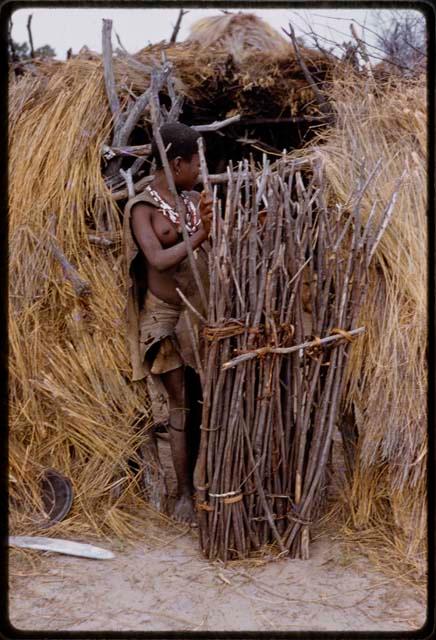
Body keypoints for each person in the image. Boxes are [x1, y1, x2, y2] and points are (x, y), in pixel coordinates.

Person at [123, 122, 212, 526]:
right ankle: (183, 495)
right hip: (163, 316)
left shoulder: (193, 199)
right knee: (181, 404)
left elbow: (217, 247)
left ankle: (203, 482)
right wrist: (199, 236)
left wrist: (214, 229)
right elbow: (158, 259)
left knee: (201, 400)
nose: (200, 168)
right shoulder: (142, 207)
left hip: (198, 311)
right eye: (196, 162)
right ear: (177, 163)